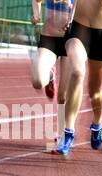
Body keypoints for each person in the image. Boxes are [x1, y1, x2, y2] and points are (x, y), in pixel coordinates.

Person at [56, 0, 102, 155]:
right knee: (78, 72)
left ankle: (97, 123)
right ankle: (68, 132)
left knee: (95, 93)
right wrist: (68, 15)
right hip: (78, 30)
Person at [31, 0, 75, 144]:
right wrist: (36, 15)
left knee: (63, 95)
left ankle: (62, 132)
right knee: (37, 81)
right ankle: (50, 76)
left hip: (70, 40)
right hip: (49, 37)